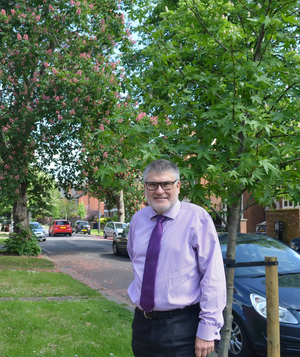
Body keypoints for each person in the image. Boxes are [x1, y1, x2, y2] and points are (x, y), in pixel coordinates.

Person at [127, 159, 226, 357]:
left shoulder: (197, 219)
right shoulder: (138, 220)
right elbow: (136, 260)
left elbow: (213, 277)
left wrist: (208, 330)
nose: (159, 190)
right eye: (152, 184)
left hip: (182, 327)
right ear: (145, 187)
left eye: (166, 184)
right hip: (142, 326)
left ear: (178, 186)